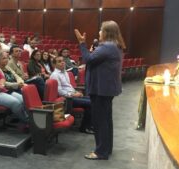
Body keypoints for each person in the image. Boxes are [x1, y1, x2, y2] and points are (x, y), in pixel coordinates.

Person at [74, 20, 125, 160]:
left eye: (101, 30)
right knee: (106, 120)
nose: (99, 32)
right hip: (106, 89)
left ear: (107, 32)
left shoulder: (108, 46)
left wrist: (82, 43)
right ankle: (106, 148)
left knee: (100, 121)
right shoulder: (114, 46)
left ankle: (101, 152)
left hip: (101, 89)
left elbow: (88, 59)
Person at [50, 56, 94, 134]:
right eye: (59, 61)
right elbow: (59, 92)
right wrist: (73, 94)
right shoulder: (55, 75)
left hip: (72, 95)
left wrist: (76, 92)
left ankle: (88, 124)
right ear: (54, 64)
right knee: (91, 103)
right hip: (67, 99)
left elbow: (68, 86)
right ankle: (85, 127)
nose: (62, 62)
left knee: (93, 100)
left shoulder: (65, 72)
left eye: (63, 61)